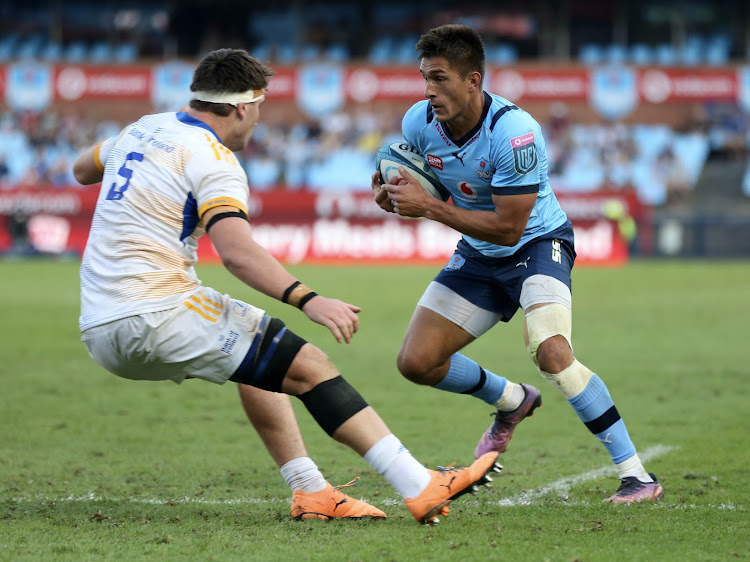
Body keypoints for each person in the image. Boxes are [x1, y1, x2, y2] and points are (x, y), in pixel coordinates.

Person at [72, 47, 500, 525]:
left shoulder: (142, 128)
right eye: (258, 108)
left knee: (260, 355)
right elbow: (236, 252)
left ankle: (312, 492)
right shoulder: (214, 159)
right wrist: (310, 300)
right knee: (312, 366)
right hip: (156, 311)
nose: (256, 122)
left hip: (98, 324)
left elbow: (81, 170)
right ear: (241, 106)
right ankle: (420, 485)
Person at [371, 25, 663, 505]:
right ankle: (512, 400)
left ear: (473, 80)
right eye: (424, 78)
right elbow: (404, 173)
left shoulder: (516, 133)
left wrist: (430, 208)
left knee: (550, 351)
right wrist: (386, 190)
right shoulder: (418, 122)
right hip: (478, 254)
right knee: (416, 362)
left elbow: (508, 228)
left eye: (440, 79)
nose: (429, 90)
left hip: (535, 245)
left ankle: (636, 475)